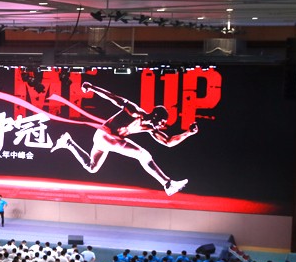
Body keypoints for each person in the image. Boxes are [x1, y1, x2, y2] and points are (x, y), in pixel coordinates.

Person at [52, 81, 199, 196]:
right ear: (155, 115)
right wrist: (92, 87)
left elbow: (168, 142)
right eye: (161, 122)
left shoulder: (150, 129)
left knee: (92, 167)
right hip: (105, 134)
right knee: (143, 154)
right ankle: (167, 184)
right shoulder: (135, 112)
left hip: (103, 139)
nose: (161, 126)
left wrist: (188, 133)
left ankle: (68, 142)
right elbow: (113, 97)